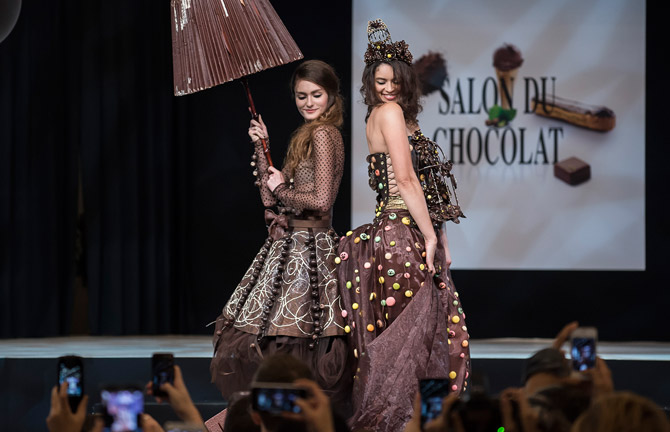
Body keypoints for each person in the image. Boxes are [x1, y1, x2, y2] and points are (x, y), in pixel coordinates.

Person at [336, 19, 469, 431]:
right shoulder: (389, 113)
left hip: (395, 232)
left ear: (406, 81)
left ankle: (405, 423)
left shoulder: (385, 114)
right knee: (419, 341)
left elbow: (427, 186)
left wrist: (439, 235)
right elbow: (408, 181)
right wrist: (430, 236)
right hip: (401, 233)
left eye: (394, 81)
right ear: (370, 82)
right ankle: (407, 424)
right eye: (380, 82)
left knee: (416, 338)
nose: (388, 88)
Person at [210, 60, 349, 407]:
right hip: (290, 245)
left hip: (310, 250)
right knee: (279, 335)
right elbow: (270, 199)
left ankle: (295, 413)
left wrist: (282, 188)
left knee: (298, 337)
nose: (308, 102)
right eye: (301, 96)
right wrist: (262, 146)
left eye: (316, 94)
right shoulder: (307, 134)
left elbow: (321, 200)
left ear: (332, 95)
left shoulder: (324, 133)